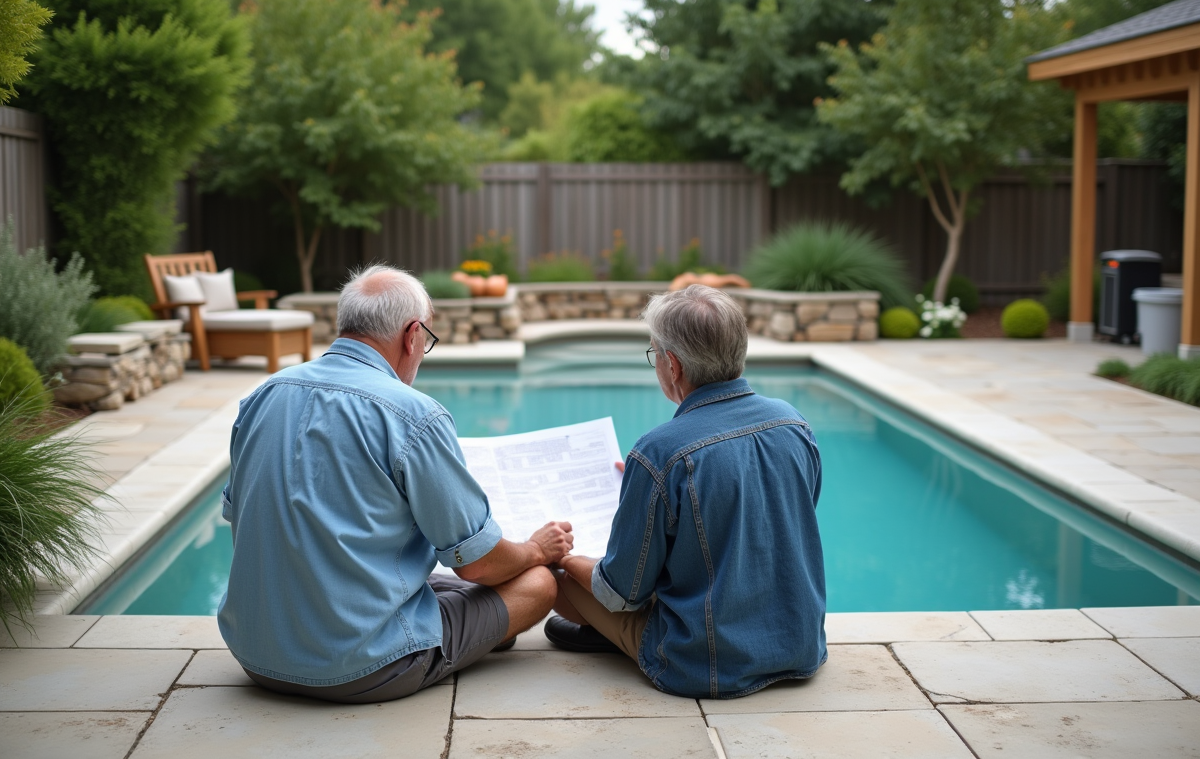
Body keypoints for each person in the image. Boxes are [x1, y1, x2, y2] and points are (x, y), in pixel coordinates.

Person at [218, 265, 572, 703]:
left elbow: (245, 525)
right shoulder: (412, 414)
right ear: (412, 335)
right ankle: (479, 634)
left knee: (441, 580)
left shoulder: (260, 398)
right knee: (536, 582)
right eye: (427, 340)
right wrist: (537, 550)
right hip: (364, 666)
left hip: (256, 656)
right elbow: (476, 564)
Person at [545, 284, 827, 699]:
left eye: (654, 354)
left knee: (557, 579)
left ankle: (620, 639)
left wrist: (567, 556)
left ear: (672, 365)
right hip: (800, 647)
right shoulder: (794, 423)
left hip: (707, 663)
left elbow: (623, 591)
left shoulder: (661, 451)